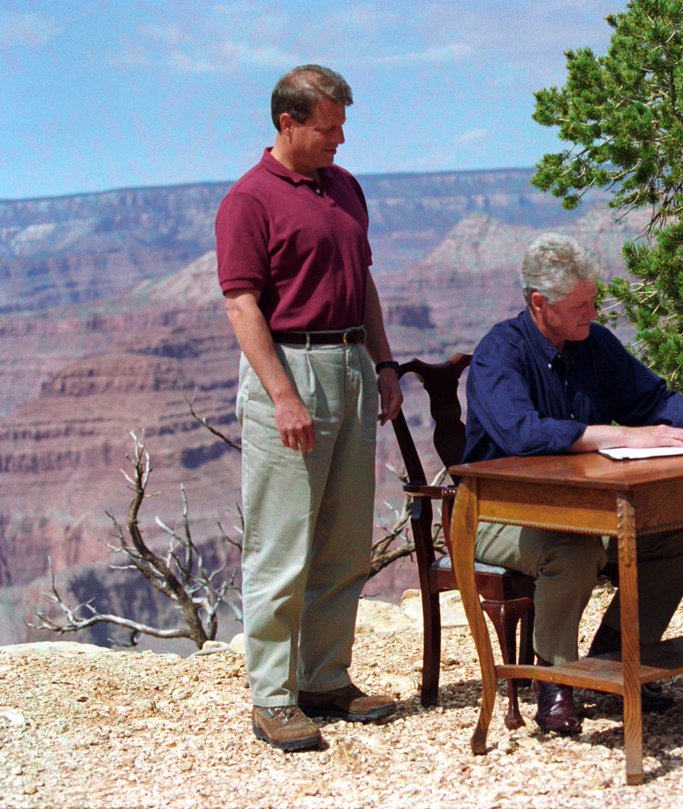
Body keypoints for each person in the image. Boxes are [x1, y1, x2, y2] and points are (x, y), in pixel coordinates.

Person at [463, 232, 683, 736]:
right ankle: (554, 681)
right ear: (539, 303)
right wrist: (620, 435)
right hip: (501, 514)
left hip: (589, 507)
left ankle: (616, 658)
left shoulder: (593, 343)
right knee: (569, 552)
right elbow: (522, 434)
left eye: (593, 300)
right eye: (581, 304)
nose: (592, 313)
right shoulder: (498, 353)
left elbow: (650, 398)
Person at [215, 64, 403, 752]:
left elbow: (367, 282)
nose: (340, 140)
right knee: (282, 541)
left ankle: (325, 677)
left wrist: (381, 363)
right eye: (328, 128)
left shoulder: (343, 188)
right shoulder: (250, 200)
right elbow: (241, 304)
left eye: (343, 125)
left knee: (345, 537)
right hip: (290, 368)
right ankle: (272, 696)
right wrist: (283, 395)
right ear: (288, 123)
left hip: (351, 361)